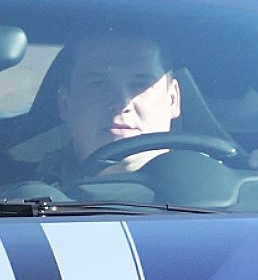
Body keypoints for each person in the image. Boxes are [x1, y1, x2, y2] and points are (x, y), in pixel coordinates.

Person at [11, 32, 184, 187]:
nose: (121, 103)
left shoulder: (211, 194)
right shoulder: (11, 205)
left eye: (140, 85)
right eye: (98, 85)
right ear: (65, 104)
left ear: (173, 100)